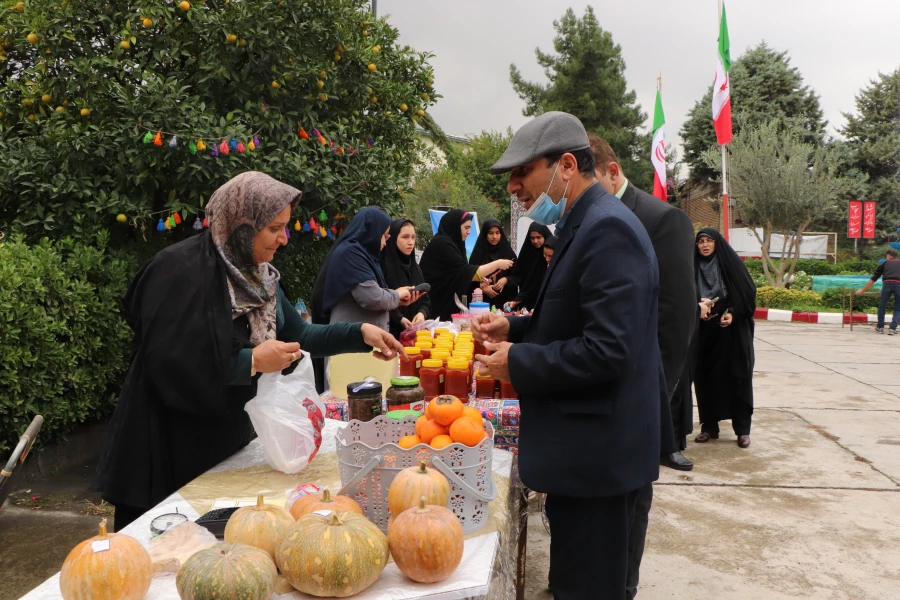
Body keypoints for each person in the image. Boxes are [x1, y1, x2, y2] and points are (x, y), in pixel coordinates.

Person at [95, 172, 405, 531]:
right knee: (162, 553)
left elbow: (301, 334)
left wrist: (361, 334)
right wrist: (254, 361)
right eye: (275, 228)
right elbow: (170, 361)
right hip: (166, 446)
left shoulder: (258, 278)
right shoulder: (179, 272)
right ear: (243, 226)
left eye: (285, 227)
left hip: (222, 437)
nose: (284, 239)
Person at [472, 112, 664, 600]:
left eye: (522, 173)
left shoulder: (607, 229)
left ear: (565, 166)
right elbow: (574, 318)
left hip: (599, 457)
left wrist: (518, 361)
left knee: (588, 586)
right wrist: (514, 326)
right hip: (586, 452)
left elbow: (607, 351)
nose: (514, 186)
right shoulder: (584, 224)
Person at [590, 135, 699, 600]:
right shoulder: (588, 220)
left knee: (631, 500)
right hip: (597, 386)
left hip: (639, 390)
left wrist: (656, 391)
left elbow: (677, 317)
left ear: (612, 172)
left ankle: (624, 586)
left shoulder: (661, 219)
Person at [693, 228, 757, 448]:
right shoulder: (692, 267)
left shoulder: (729, 265)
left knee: (737, 378)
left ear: (717, 243)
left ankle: (742, 430)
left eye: (708, 240)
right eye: (700, 241)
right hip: (705, 332)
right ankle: (709, 427)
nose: (704, 245)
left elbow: (747, 295)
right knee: (706, 378)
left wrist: (731, 313)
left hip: (732, 333)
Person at [420, 209, 513, 320]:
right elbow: (466, 272)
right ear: (455, 226)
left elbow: (461, 275)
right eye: (466, 228)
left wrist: (481, 283)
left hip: (445, 302)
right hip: (434, 301)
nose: (469, 232)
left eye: (469, 228)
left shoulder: (456, 244)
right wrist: (498, 264)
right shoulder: (442, 244)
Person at [381, 218, 432, 339]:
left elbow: (425, 300)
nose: (410, 242)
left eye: (413, 237)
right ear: (393, 238)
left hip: (413, 337)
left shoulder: (415, 268)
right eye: (405, 237)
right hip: (389, 335)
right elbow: (377, 300)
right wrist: (399, 319)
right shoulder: (382, 267)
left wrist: (421, 314)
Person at [468, 219, 518, 310]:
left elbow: (518, 276)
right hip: (482, 303)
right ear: (485, 234)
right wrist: (482, 288)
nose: (494, 237)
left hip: (505, 302)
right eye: (491, 233)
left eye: (497, 233)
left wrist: (506, 279)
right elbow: (469, 278)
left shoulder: (508, 253)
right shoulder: (478, 254)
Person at [506, 222, 552, 311]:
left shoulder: (552, 253)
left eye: (538, 237)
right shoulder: (526, 254)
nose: (535, 241)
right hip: (527, 303)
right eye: (532, 238)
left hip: (548, 301)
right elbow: (521, 278)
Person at [856, 249, 900, 334]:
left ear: (890, 256)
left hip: (887, 284)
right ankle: (893, 328)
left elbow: (873, 279)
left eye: (887, 256)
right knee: (898, 307)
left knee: (882, 305)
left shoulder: (885, 264)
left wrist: (862, 290)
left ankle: (880, 327)